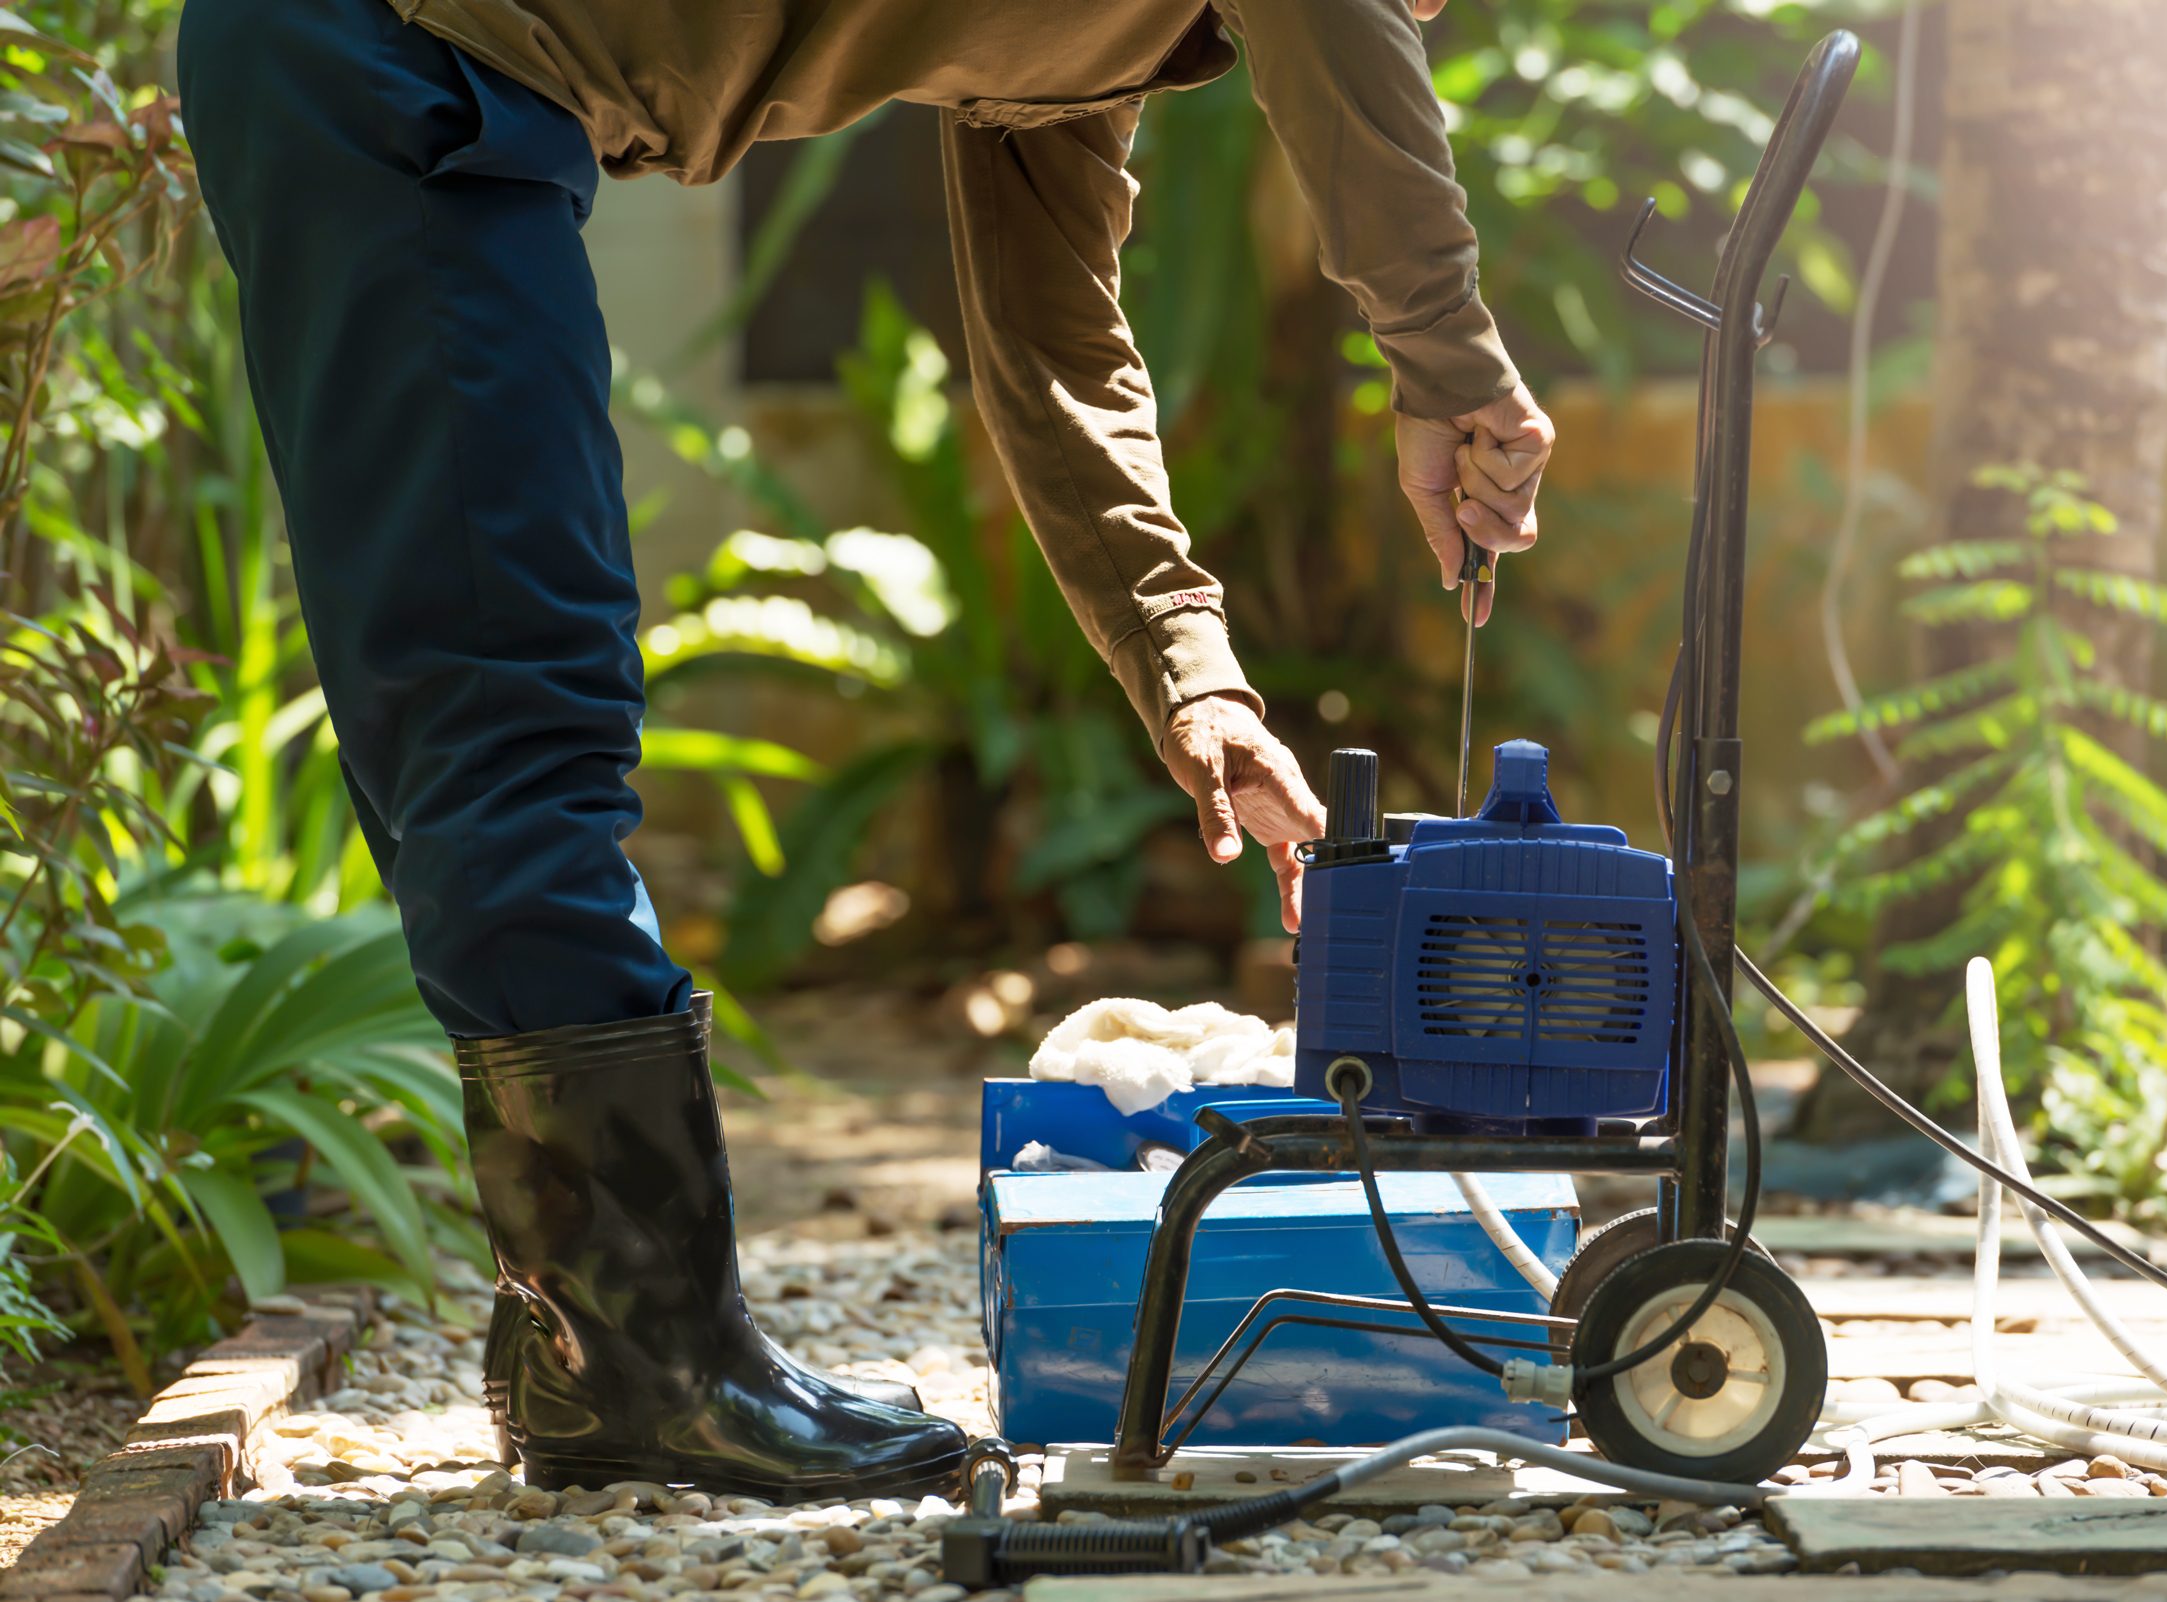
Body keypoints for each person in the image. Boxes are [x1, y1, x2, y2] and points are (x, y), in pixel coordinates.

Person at [176, 0, 1555, 1499]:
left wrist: (1194, 679)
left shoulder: (1109, 40)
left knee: (495, 676)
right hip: (389, 55)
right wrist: (1452, 365)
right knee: (510, 684)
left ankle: (587, 1348)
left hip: (459, 99)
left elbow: (1055, 343)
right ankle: (646, 1366)